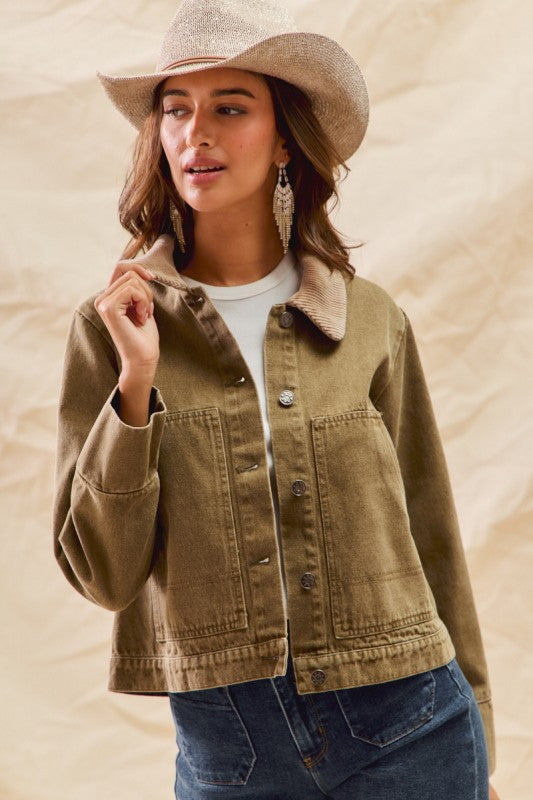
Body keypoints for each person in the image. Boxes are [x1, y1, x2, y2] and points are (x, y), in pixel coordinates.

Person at [53, 1, 501, 798]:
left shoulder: (368, 320)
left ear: (285, 138)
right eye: (176, 110)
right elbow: (103, 576)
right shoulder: (113, 327)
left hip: (415, 726)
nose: (197, 134)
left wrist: (483, 746)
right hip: (233, 751)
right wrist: (136, 384)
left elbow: (430, 530)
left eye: (230, 108)